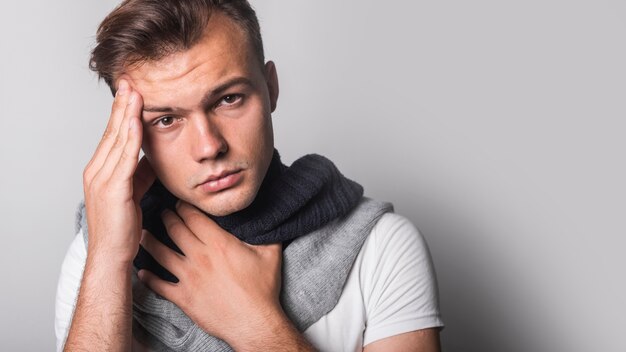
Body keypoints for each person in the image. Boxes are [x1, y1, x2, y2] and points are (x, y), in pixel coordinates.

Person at [54, 0, 444, 351]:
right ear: (132, 134)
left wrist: (255, 324)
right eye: (167, 120)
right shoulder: (103, 250)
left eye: (228, 99)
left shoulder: (382, 246)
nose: (209, 147)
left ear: (271, 87)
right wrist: (107, 259)